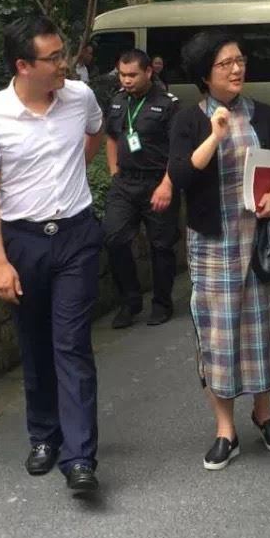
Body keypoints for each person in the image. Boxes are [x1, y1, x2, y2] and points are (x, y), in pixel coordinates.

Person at [0, 15, 105, 497]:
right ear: (23, 66)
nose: (64, 64)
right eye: (53, 58)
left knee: (71, 343)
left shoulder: (80, 98)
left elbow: (95, 132)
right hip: (23, 242)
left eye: (63, 53)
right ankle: (45, 436)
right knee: (35, 343)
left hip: (76, 237)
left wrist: (75, 171)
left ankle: (80, 457)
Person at [168, 31, 270, 470]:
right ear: (204, 74)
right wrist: (215, 135)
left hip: (258, 242)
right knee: (217, 336)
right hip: (212, 244)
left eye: (239, 60)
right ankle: (225, 429)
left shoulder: (265, 115)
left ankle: (264, 413)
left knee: (258, 330)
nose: (236, 69)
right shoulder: (188, 120)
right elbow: (181, 177)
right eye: (225, 64)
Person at [103, 49, 182, 329]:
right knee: (113, 238)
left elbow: (178, 150)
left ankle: (161, 303)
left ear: (149, 72)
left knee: (161, 245)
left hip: (157, 182)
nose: (126, 80)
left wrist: (167, 185)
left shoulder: (168, 104)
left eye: (132, 75)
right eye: (122, 75)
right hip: (125, 183)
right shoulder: (117, 101)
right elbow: (112, 138)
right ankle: (130, 300)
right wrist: (113, 171)